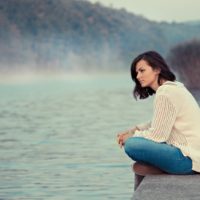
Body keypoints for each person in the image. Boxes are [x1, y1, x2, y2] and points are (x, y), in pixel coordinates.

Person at [117, 51, 200, 175]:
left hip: (189, 159)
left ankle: (162, 168)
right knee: (135, 141)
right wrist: (134, 129)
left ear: (156, 69)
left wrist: (132, 136)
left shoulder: (165, 92)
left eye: (142, 70)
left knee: (131, 145)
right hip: (191, 156)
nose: (138, 76)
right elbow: (161, 121)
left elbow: (158, 136)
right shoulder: (174, 87)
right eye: (137, 73)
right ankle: (161, 167)